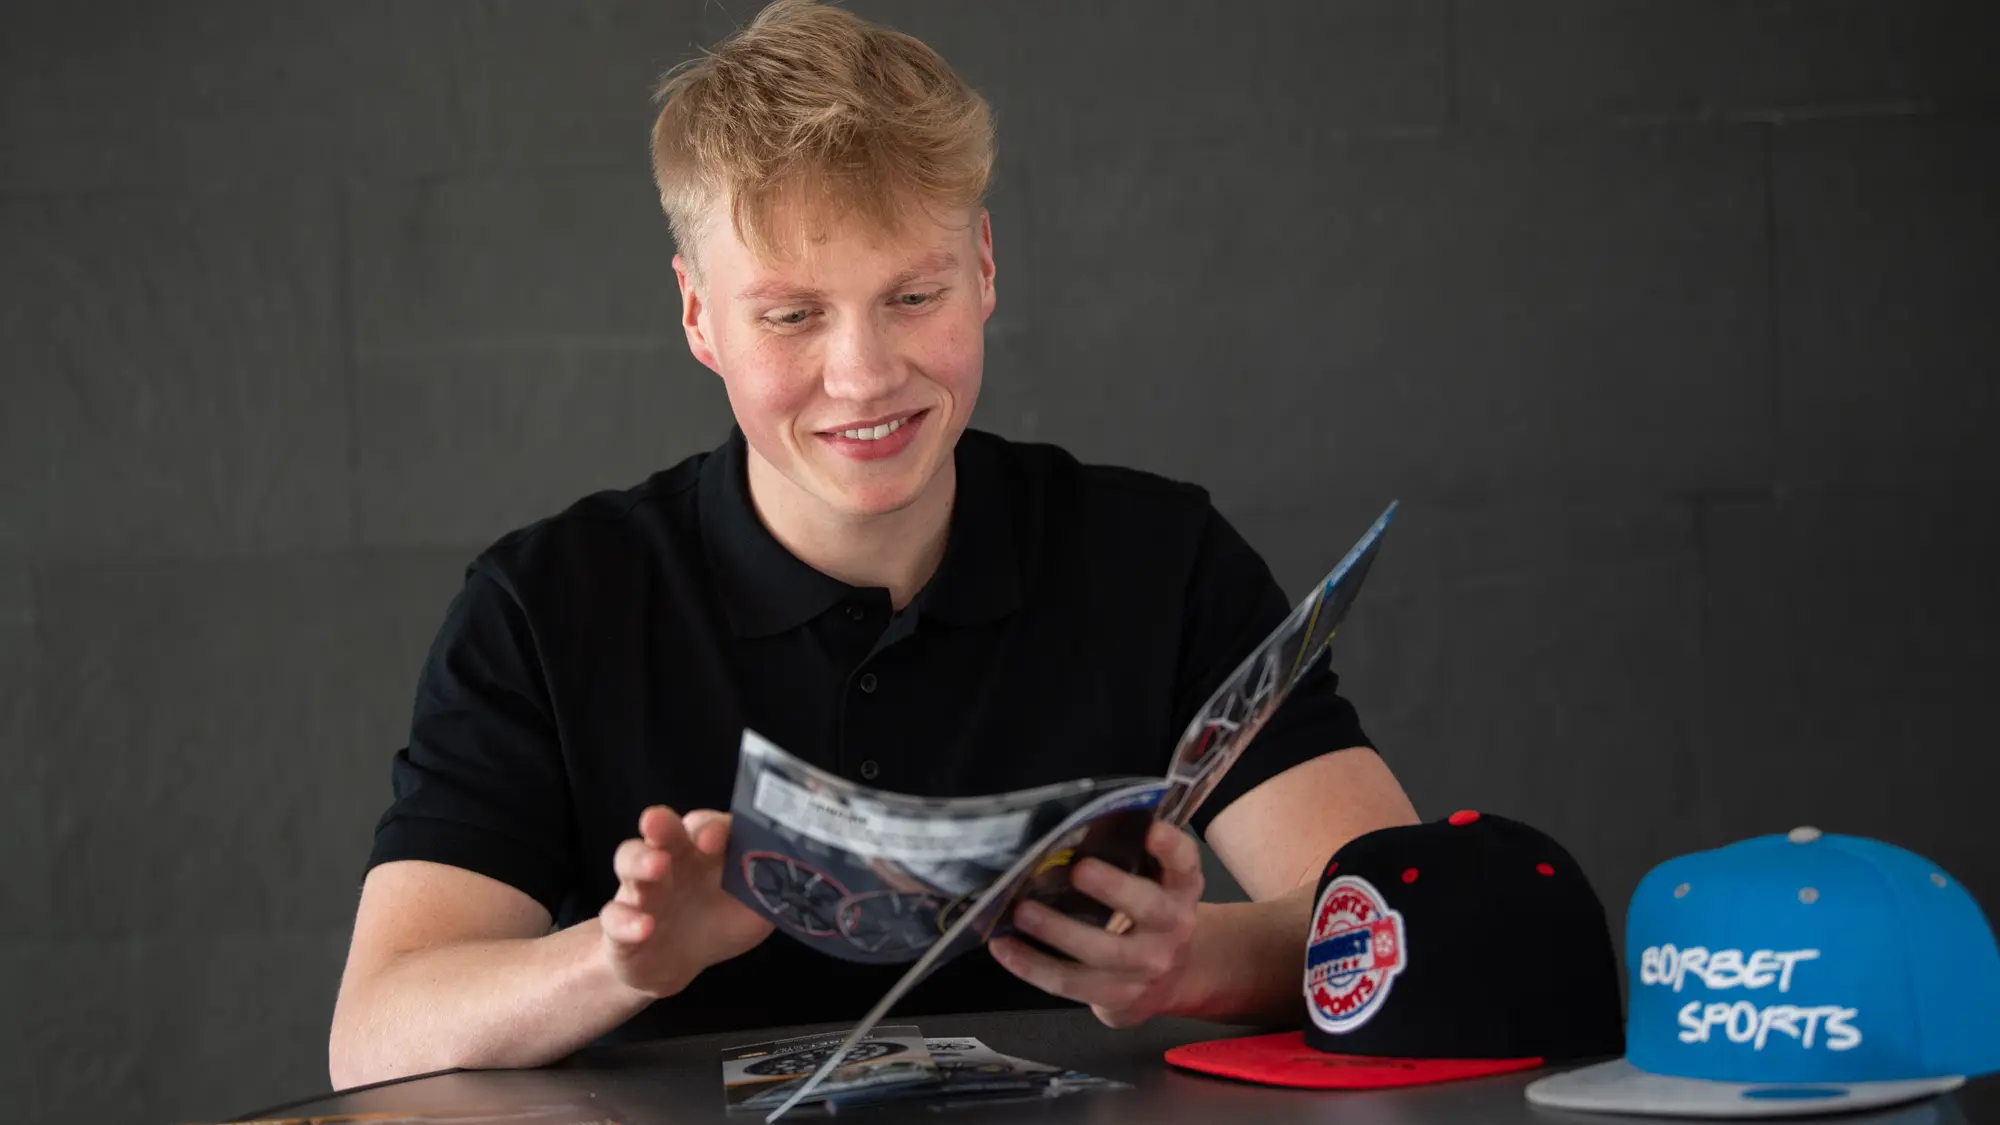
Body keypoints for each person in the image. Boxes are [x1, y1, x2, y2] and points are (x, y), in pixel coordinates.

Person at [327, 0, 1420, 1090]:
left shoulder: (1158, 561)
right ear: (698, 315)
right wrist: (621, 962)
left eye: (913, 295)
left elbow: (1407, 919)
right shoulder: (547, 605)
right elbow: (375, 1034)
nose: (864, 375)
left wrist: (1192, 961)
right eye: (791, 315)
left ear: (982, 268)